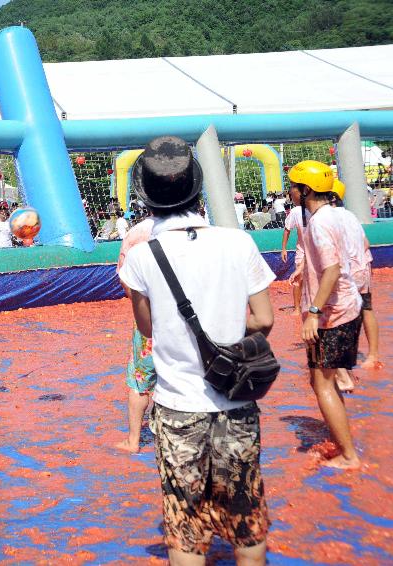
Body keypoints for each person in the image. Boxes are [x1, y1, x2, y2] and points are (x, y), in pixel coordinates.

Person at [118, 136, 275, 564]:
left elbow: (146, 328)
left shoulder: (141, 256)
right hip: (236, 402)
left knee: (185, 529)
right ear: (197, 187)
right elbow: (263, 319)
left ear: (145, 196)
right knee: (246, 522)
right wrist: (224, 327)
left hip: (176, 408)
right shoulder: (237, 243)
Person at [288, 160, 362, 470]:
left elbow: (331, 269)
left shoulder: (318, 222)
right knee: (328, 381)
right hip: (348, 306)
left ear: (306, 190)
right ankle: (340, 440)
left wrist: (313, 313)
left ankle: (349, 455)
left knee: (321, 384)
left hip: (332, 313)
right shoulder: (337, 215)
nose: (289, 191)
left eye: (293, 186)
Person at [114, 212, 155, 453]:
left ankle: (133, 441)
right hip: (188, 318)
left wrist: (141, 306)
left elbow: (124, 277)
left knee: (141, 379)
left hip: (149, 317)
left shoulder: (135, 235)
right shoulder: (200, 230)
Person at [330, 180, 380, 372]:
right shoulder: (349, 215)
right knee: (366, 309)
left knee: (336, 311)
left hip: (348, 271)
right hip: (362, 267)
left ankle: (341, 364)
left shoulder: (327, 217)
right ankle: (373, 355)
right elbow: (365, 242)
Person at [282, 196, 307, 316]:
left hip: (317, 250)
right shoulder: (296, 211)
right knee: (298, 279)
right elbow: (287, 229)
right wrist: (283, 248)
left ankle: (315, 308)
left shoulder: (318, 210)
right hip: (302, 250)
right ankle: (297, 308)